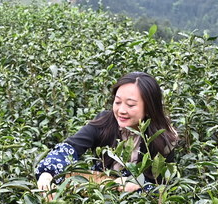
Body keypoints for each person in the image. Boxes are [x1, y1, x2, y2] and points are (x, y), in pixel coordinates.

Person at [35, 72, 178, 193]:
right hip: (101, 193)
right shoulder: (104, 122)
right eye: (117, 102)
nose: (121, 110)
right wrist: (47, 174)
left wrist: (137, 185)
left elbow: (162, 188)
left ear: (149, 108)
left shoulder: (163, 139)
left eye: (130, 105)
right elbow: (69, 148)